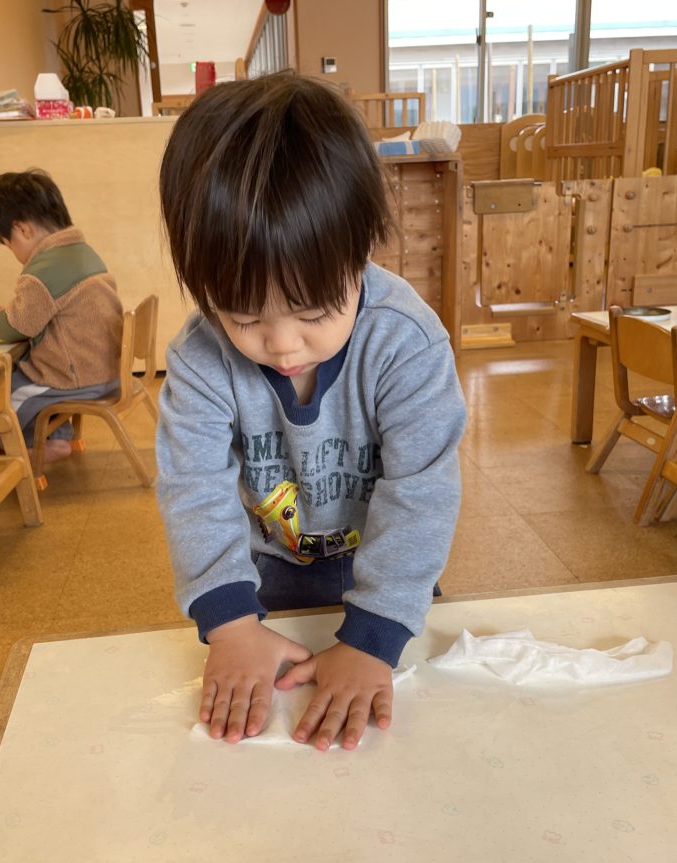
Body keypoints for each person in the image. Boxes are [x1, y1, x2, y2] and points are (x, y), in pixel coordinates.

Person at [156, 73, 466, 751]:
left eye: (315, 312)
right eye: (244, 317)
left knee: (406, 737)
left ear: (360, 254)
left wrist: (375, 636)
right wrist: (231, 625)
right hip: (265, 576)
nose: (283, 345)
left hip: (386, 570)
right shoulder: (199, 359)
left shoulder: (406, 342)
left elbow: (422, 493)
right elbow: (194, 490)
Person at [0, 169, 124, 463]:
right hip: (107, 369)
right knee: (32, 378)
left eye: (9, 244)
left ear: (22, 230)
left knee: (6, 393)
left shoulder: (43, 270)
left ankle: (27, 447)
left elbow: (17, 324)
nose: (14, 253)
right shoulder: (83, 252)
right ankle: (57, 437)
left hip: (78, 377)